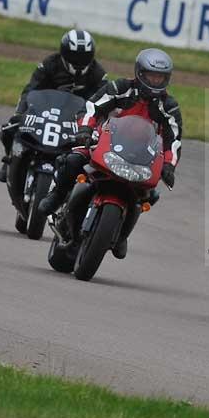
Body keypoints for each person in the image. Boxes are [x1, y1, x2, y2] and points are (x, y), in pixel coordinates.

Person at [37, 48, 182, 259]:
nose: (155, 81)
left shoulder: (169, 107)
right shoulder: (120, 88)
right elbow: (91, 107)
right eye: (151, 75)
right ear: (140, 73)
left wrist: (169, 165)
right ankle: (57, 194)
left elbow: (174, 140)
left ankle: (120, 234)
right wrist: (86, 129)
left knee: (151, 196)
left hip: (141, 156)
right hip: (104, 141)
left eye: (160, 77)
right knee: (73, 160)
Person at [0, 29, 108, 182]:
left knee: (93, 145)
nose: (79, 61)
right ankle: (9, 160)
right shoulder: (49, 64)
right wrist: (20, 113)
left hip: (76, 118)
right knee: (9, 128)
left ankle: (80, 180)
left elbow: (103, 101)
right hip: (45, 111)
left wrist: (95, 126)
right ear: (64, 53)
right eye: (74, 56)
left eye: (84, 57)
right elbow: (30, 90)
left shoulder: (98, 73)